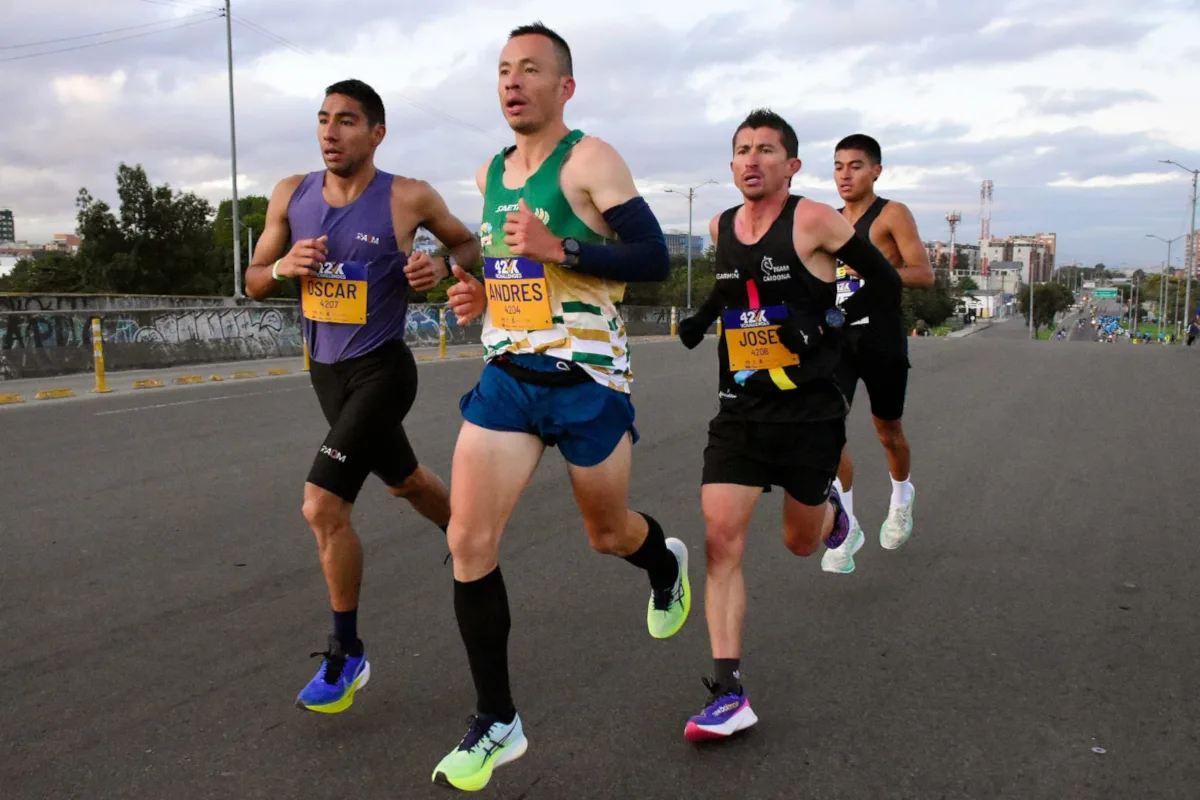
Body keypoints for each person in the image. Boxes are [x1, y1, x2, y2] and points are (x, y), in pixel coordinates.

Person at [429, 23, 689, 791]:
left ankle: (661, 561)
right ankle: (497, 719)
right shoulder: (489, 172)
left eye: (530, 70)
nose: (512, 82)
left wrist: (564, 249)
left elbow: (652, 258)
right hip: (508, 376)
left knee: (608, 533)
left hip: (588, 379)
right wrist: (479, 290)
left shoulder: (591, 160)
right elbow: (505, 260)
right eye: (504, 70)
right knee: (468, 538)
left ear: (563, 87)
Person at [244, 79, 480, 714]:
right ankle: (467, 537)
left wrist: (440, 267)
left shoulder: (407, 196)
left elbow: (467, 244)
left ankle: (347, 654)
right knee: (404, 482)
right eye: (323, 119)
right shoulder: (289, 196)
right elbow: (253, 282)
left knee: (322, 506)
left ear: (376, 133)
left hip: (383, 371)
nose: (330, 131)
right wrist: (283, 268)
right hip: (327, 373)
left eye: (346, 121)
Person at [674, 109, 902, 741]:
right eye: (743, 150)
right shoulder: (721, 224)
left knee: (800, 543)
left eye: (767, 150)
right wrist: (699, 318)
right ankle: (728, 692)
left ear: (791, 165)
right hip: (741, 409)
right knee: (720, 542)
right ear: (732, 163)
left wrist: (826, 323)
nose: (753, 159)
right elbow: (733, 288)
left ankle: (832, 511)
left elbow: (880, 282)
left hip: (810, 412)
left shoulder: (812, 219)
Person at [820, 134, 935, 576]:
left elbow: (922, 273)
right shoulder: (827, 220)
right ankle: (846, 525)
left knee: (888, 430)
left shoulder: (891, 214)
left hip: (882, 337)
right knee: (828, 428)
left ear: (875, 172)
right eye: (837, 166)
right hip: (839, 339)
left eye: (854, 166)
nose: (845, 175)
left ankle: (902, 496)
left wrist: (873, 277)